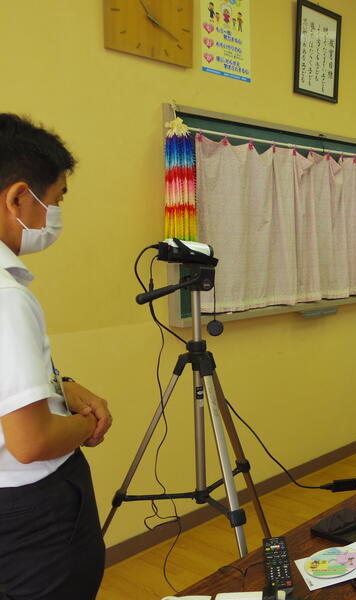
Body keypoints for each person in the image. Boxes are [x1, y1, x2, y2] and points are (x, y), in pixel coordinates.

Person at [0, 114, 112, 599]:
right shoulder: (7, 298)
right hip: (32, 516)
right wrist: (88, 423)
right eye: (56, 200)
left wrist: (60, 386)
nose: (55, 215)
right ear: (18, 198)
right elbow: (32, 441)